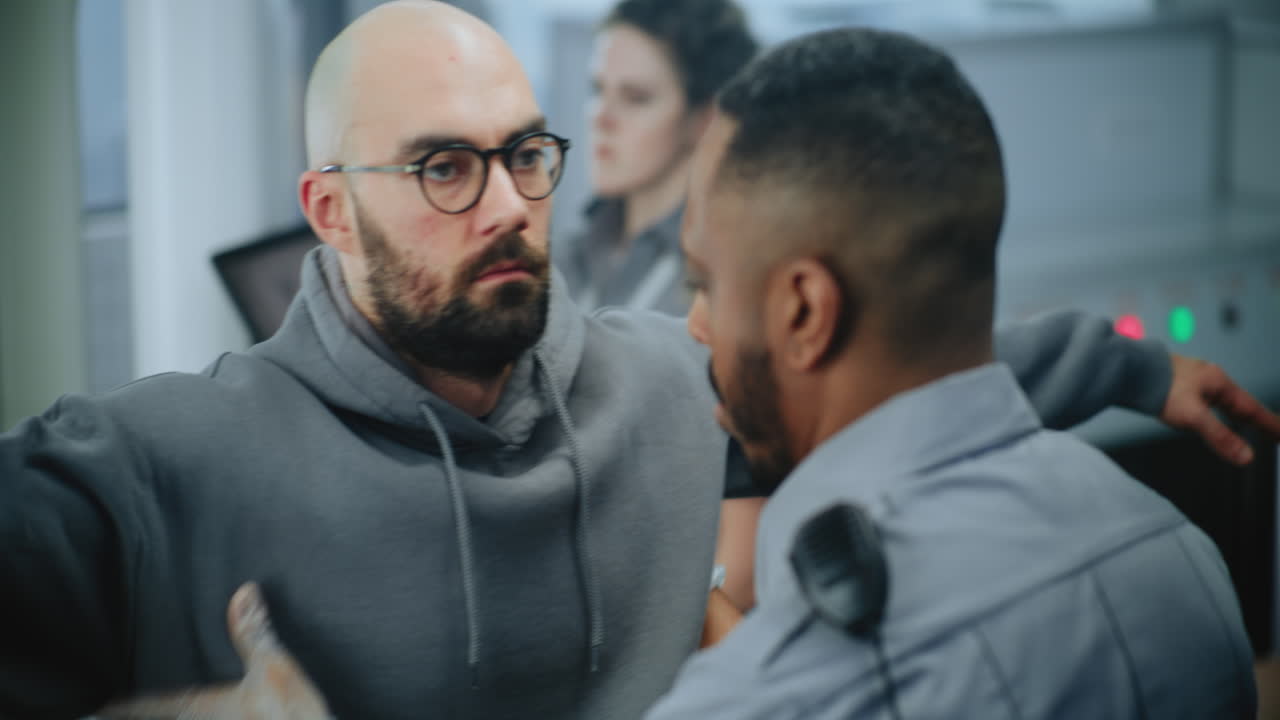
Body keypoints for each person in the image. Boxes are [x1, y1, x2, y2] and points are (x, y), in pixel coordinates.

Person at [1, 3, 1275, 719]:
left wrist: (1124, 367)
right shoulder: (159, 463)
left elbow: (877, 365)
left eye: (525, 154)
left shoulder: (658, 380)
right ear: (330, 211)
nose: (509, 204)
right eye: (444, 168)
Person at [646, 27, 1260, 718]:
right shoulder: (1184, 558)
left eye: (706, 285)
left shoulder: (767, 697)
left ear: (805, 311)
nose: (697, 325)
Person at [554, 0, 757, 315]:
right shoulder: (564, 257)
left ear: (706, 119)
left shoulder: (725, 276)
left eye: (636, 98)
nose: (601, 117)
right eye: (597, 90)